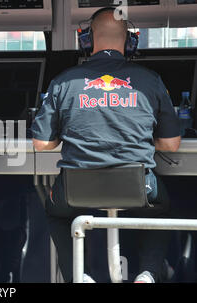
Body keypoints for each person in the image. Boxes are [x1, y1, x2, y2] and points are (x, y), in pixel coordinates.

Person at [31, 7, 181, 283]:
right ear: (130, 41)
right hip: (138, 188)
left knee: (54, 212)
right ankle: (147, 274)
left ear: (86, 39)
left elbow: (41, 144)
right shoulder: (151, 80)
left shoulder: (63, 82)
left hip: (77, 190)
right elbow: (171, 145)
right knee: (163, 207)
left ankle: (81, 277)